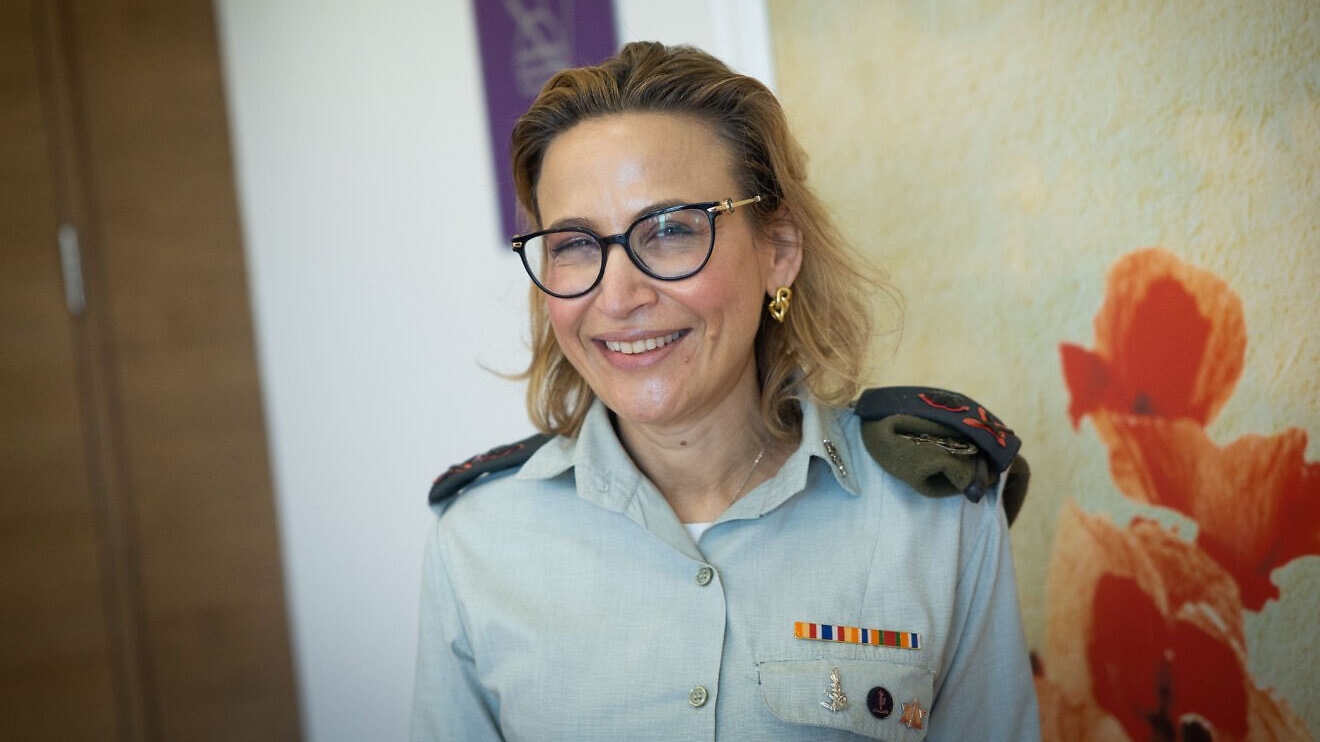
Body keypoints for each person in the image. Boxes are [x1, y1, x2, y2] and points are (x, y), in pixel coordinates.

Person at [411, 41, 1039, 740]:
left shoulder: (938, 518)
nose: (617, 298)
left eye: (671, 231)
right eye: (575, 245)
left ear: (779, 251)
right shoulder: (478, 544)